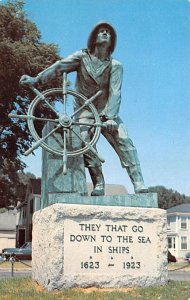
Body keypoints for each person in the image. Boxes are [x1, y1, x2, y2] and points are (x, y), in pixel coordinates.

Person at [20, 21, 148, 196]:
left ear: (112, 41)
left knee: (125, 141)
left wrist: (110, 116)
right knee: (85, 142)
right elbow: (59, 67)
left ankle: (139, 183)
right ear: (93, 38)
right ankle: (99, 184)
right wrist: (36, 80)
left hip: (106, 111)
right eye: (101, 31)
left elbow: (116, 92)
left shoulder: (116, 65)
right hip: (85, 111)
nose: (105, 33)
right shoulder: (81, 57)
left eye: (108, 32)